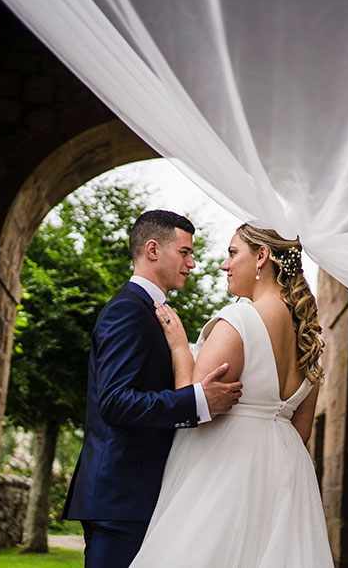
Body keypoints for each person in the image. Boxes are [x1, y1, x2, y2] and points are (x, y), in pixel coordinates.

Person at [129, 224, 334, 567]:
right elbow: (302, 431)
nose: (224, 265)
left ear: (262, 256)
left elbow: (190, 404)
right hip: (288, 475)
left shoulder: (237, 321)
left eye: (232, 252)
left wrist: (180, 347)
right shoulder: (307, 337)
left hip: (223, 473)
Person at [61, 210, 243, 568]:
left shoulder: (152, 311)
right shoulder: (127, 311)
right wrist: (196, 400)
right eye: (185, 252)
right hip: (121, 497)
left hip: (136, 494)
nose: (193, 263)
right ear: (153, 250)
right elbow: (114, 403)